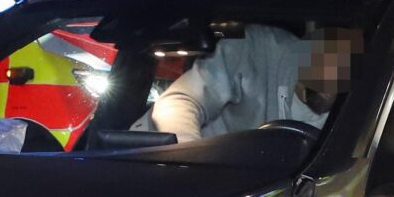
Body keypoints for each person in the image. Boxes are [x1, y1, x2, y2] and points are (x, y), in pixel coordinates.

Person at [149, 23, 363, 141]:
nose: (330, 86)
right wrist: (190, 161)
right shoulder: (255, 48)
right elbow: (178, 101)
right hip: (155, 154)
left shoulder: (355, 116)